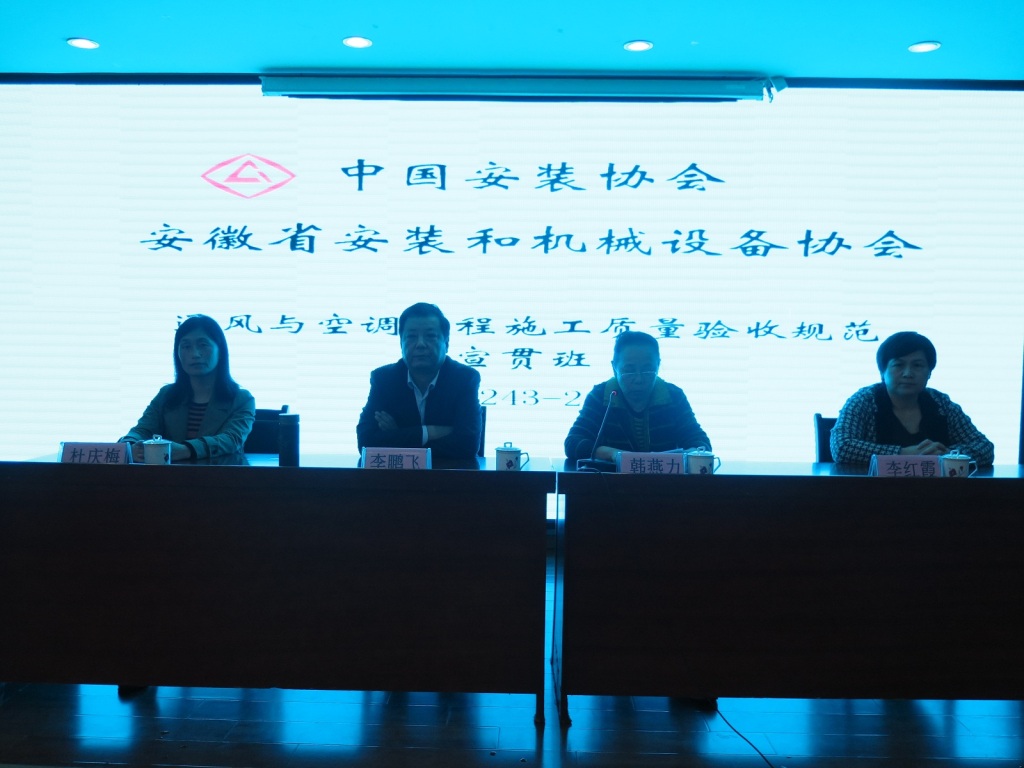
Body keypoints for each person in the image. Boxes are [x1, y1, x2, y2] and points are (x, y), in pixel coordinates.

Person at [830, 331, 994, 465]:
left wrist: (949, 455)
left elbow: (984, 448)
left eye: (917, 365)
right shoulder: (864, 400)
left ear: (929, 372)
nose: (908, 373)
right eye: (898, 365)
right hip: (875, 491)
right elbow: (841, 447)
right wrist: (902, 454)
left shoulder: (940, 403)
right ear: (882, 372)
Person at [120, 314, 255, 462]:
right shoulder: (166, 395)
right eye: (186, 347)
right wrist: (129, 446)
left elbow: (231, 439)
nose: (195, 354)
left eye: (203, 345)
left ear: (220, 351)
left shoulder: (241, 399)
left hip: (220, 475)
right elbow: (142, 430)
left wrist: (187, 450)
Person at [357, 302, 482, 460]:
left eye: (430, 336)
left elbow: (467, 445)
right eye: (411, 337)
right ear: (401, 342)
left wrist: (397, 435)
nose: (420, 344)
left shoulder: (464, 378)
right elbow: (366, 443)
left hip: (449, 475)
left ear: (446, 343)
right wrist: (428, 432)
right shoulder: (384, 379)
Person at [565, 331, 711, 461]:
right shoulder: (602, 396)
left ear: (658, 365)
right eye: (629, 371)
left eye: (648, 370)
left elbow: (701, 443)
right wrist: (613, 454)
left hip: (665, 482)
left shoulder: (673, 396)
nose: (639, 379)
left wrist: (693, 454)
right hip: (612, 482)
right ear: (614, 368)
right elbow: (573, 442)